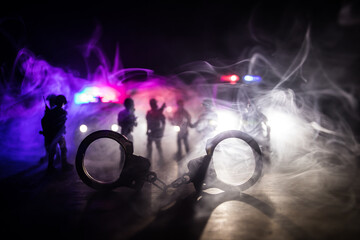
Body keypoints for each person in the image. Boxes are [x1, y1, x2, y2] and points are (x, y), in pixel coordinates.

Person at [41, 94, 72, 172]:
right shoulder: (62, 112)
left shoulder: (52, 112)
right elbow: (46, 121)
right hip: (56, 134)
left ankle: (54, 165)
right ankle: (56, 166)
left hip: (55, 134)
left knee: (58, 150)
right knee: (58, 150)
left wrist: (48, 113)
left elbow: (44, 121)